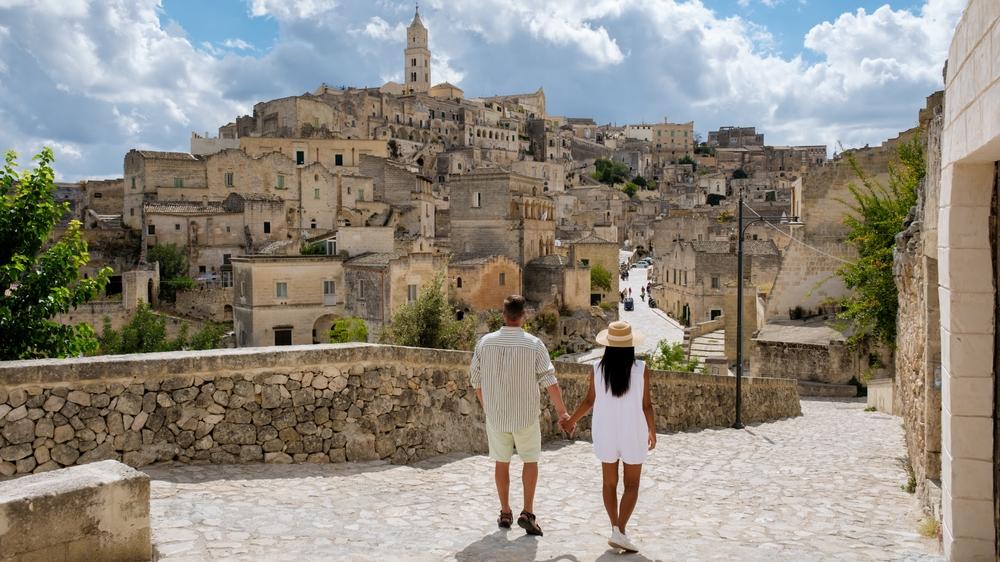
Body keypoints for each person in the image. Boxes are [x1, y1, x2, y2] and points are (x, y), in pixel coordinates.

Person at [470, 295, 571, 536]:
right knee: (530, 460)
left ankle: (505, 512)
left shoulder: (485, 343)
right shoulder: (534, 344)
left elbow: (475, 379)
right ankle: (527, 512)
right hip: (525, 415)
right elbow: (550, 381)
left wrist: (488, 407)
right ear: (523, 316)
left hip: (497, 415)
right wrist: (563, 412)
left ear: (503, 316)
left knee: (501, 462)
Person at [561, 321, 656, 553]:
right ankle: (620, 530)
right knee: (632, 484)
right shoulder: (641, 369)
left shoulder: (597, 368)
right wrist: (652, 430)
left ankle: (615, 527)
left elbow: (589, 401)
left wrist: (572, 420)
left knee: (609, 483)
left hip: (606, 431)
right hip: (633, 430)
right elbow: (646, 405)